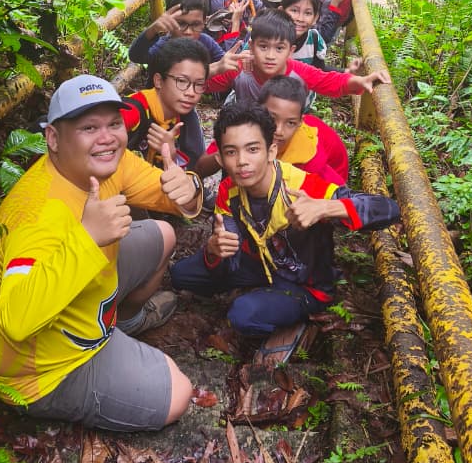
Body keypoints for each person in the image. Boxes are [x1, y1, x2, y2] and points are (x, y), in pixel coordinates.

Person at [0, 75, 203, 430]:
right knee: (179, 394)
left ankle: (126, 321)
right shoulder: (36, 213)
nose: (107, 137)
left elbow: (171, 196)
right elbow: (17, 321)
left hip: (83, 295)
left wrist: (188, 186)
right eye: (89, 127)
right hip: (42, 366)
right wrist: (86, 237)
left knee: (163, 234)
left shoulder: (110, 162)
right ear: (53, 138)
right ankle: (104, 354)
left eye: (114, 124)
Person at [171, 104, 399, 340]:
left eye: (252, 149)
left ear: (271, 151)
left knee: (243, 314)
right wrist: (214, 250)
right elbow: (229, 256)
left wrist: (326, 207)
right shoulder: (229, 190)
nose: (242, 161)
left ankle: (294, 323)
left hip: (304, 282)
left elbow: (388, 209)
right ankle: (265, 296)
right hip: (259, 264)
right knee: (181, 274)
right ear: (220, 158)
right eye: (231, 152)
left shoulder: (302, 186)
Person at [205, 11, 389, 105]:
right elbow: (203, 85)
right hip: (244, 130)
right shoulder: (241, 67)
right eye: (263, 46)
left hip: (283, 133)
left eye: (279, 48)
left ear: (290, 51)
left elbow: (329, 81)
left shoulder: (297, 70)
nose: (270, 56)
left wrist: (361, 81)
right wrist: (216, 68)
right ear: (251, 46)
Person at [122, 38, 209, 169]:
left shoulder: (174, 118)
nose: (191, 93)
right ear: (158, 81)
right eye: (181, 81)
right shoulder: (132, 112)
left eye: (199, 84)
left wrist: (171, 155)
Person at [258, 77, 348, 183]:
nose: (278, 131)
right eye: (272, 119)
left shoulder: (309, 160)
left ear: (299, 123)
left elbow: (339, 190)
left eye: (290, 123)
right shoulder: (247, 128)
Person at [128, 0, 237, 68]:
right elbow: (136, 56)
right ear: (169, 19)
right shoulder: (162, 47)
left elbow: (222, 60)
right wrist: (152, 30)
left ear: (204, 21)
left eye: (196, 24)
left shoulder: (206, 41)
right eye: (181, 23)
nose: (188, 31)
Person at [281, 0, 327, 68]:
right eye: (294, 10)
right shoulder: (267, 36)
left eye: (308, 13)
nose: (300, 19)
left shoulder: (314, 39)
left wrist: (346, 72)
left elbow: (319, 71)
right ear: (281, 12)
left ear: (315, 18)